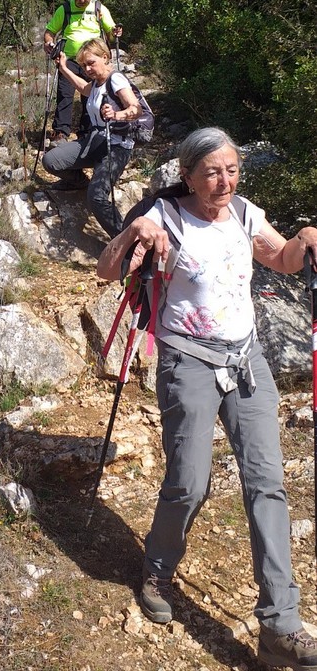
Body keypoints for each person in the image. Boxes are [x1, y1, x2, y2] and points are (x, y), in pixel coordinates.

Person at [96, 126, 317, 671]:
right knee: (190, 482)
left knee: (267, 483)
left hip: (246, 359)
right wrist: (134, 231)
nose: (224, 181)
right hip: (187, 360)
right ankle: (158, 566)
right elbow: (106, 271)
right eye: (212, 172)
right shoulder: (163, 218)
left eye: (232, 170)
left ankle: (280, 626)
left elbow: (283, 258)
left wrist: (307, 235)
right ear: (188, 175)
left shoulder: (244, 213)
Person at [42, 38, 141, 238]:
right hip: (95, 140)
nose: (87, 68)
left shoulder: (116, 79)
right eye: (83, 65)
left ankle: (126, 243)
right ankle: (79, 181)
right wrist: (63, 68)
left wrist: (117, 115)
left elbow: (136, 109)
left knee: (96, 197)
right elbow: (82, 88)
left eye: (91, 63)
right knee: (51, 160)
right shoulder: (96, 83)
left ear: (105, 57)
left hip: (117, 146)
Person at [43, 0, 122, 144]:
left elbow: (110, 32)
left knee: (92, 96)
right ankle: (61, 133)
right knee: (65, 95)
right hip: (69, 59)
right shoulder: (65, 9)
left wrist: (115, 33)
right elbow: (50, 32)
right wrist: (49, 43)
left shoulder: (99, 9)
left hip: (93, 61)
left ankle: (87, 132)